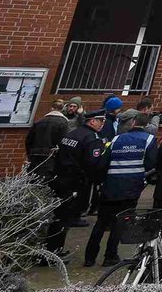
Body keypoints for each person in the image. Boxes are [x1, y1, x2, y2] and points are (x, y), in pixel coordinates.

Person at [85, 111, 152, 268]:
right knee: (119, 223)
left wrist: (100, 183)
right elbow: (151, 163)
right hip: (131, 188)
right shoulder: (149, 140)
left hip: (111, 187)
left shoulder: (116, 139)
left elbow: (103, 163)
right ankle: (110, 256)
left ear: (133, 123)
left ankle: (89, 257)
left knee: (101, 223)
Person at [43, 108, 107, 256]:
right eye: (100, 121)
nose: (102, 124)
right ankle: (53, 252)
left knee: (57, 216)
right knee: (64, 218)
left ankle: (50, 248)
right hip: (75, 182)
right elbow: (93, 163)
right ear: (92, 121)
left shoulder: (72, 134)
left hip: (60, 178)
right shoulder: (91, 138)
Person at [25, 99, 73, 174]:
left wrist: (29, 153)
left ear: (51, 108)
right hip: (50, 156)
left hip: (34, 154)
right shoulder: (63, 122)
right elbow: (63, 141)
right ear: (63, 109)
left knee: (33, 176)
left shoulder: (39, 122)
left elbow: (28, 140)